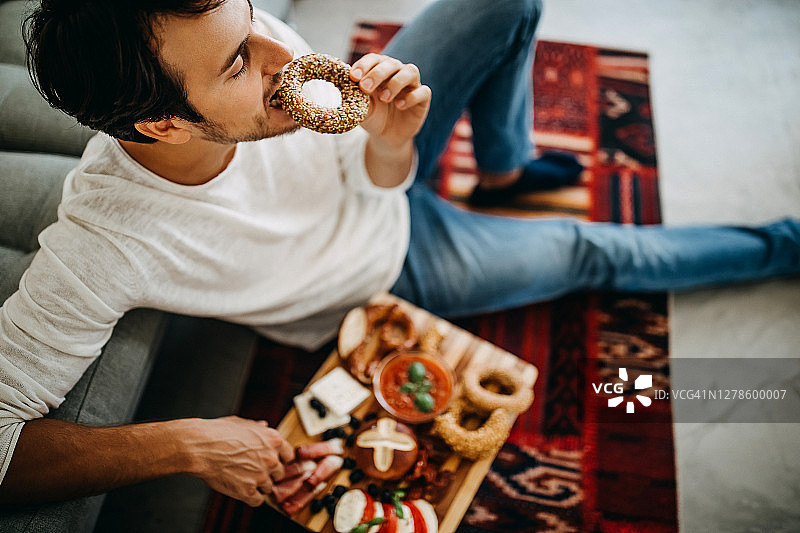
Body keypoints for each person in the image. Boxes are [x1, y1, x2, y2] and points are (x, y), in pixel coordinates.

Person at [1, 0, 798, 507]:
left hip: (383, 174)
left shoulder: (249, 44)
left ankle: (505, 166)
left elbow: (371, 169)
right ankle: (786, 246)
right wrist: (185, 442)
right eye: (239, 63)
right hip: (384, 269)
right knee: (592, 248)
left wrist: (393, 137)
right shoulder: (103, 245)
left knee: (506, 4)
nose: (280, 57)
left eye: (250, 23)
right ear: (163, 125)